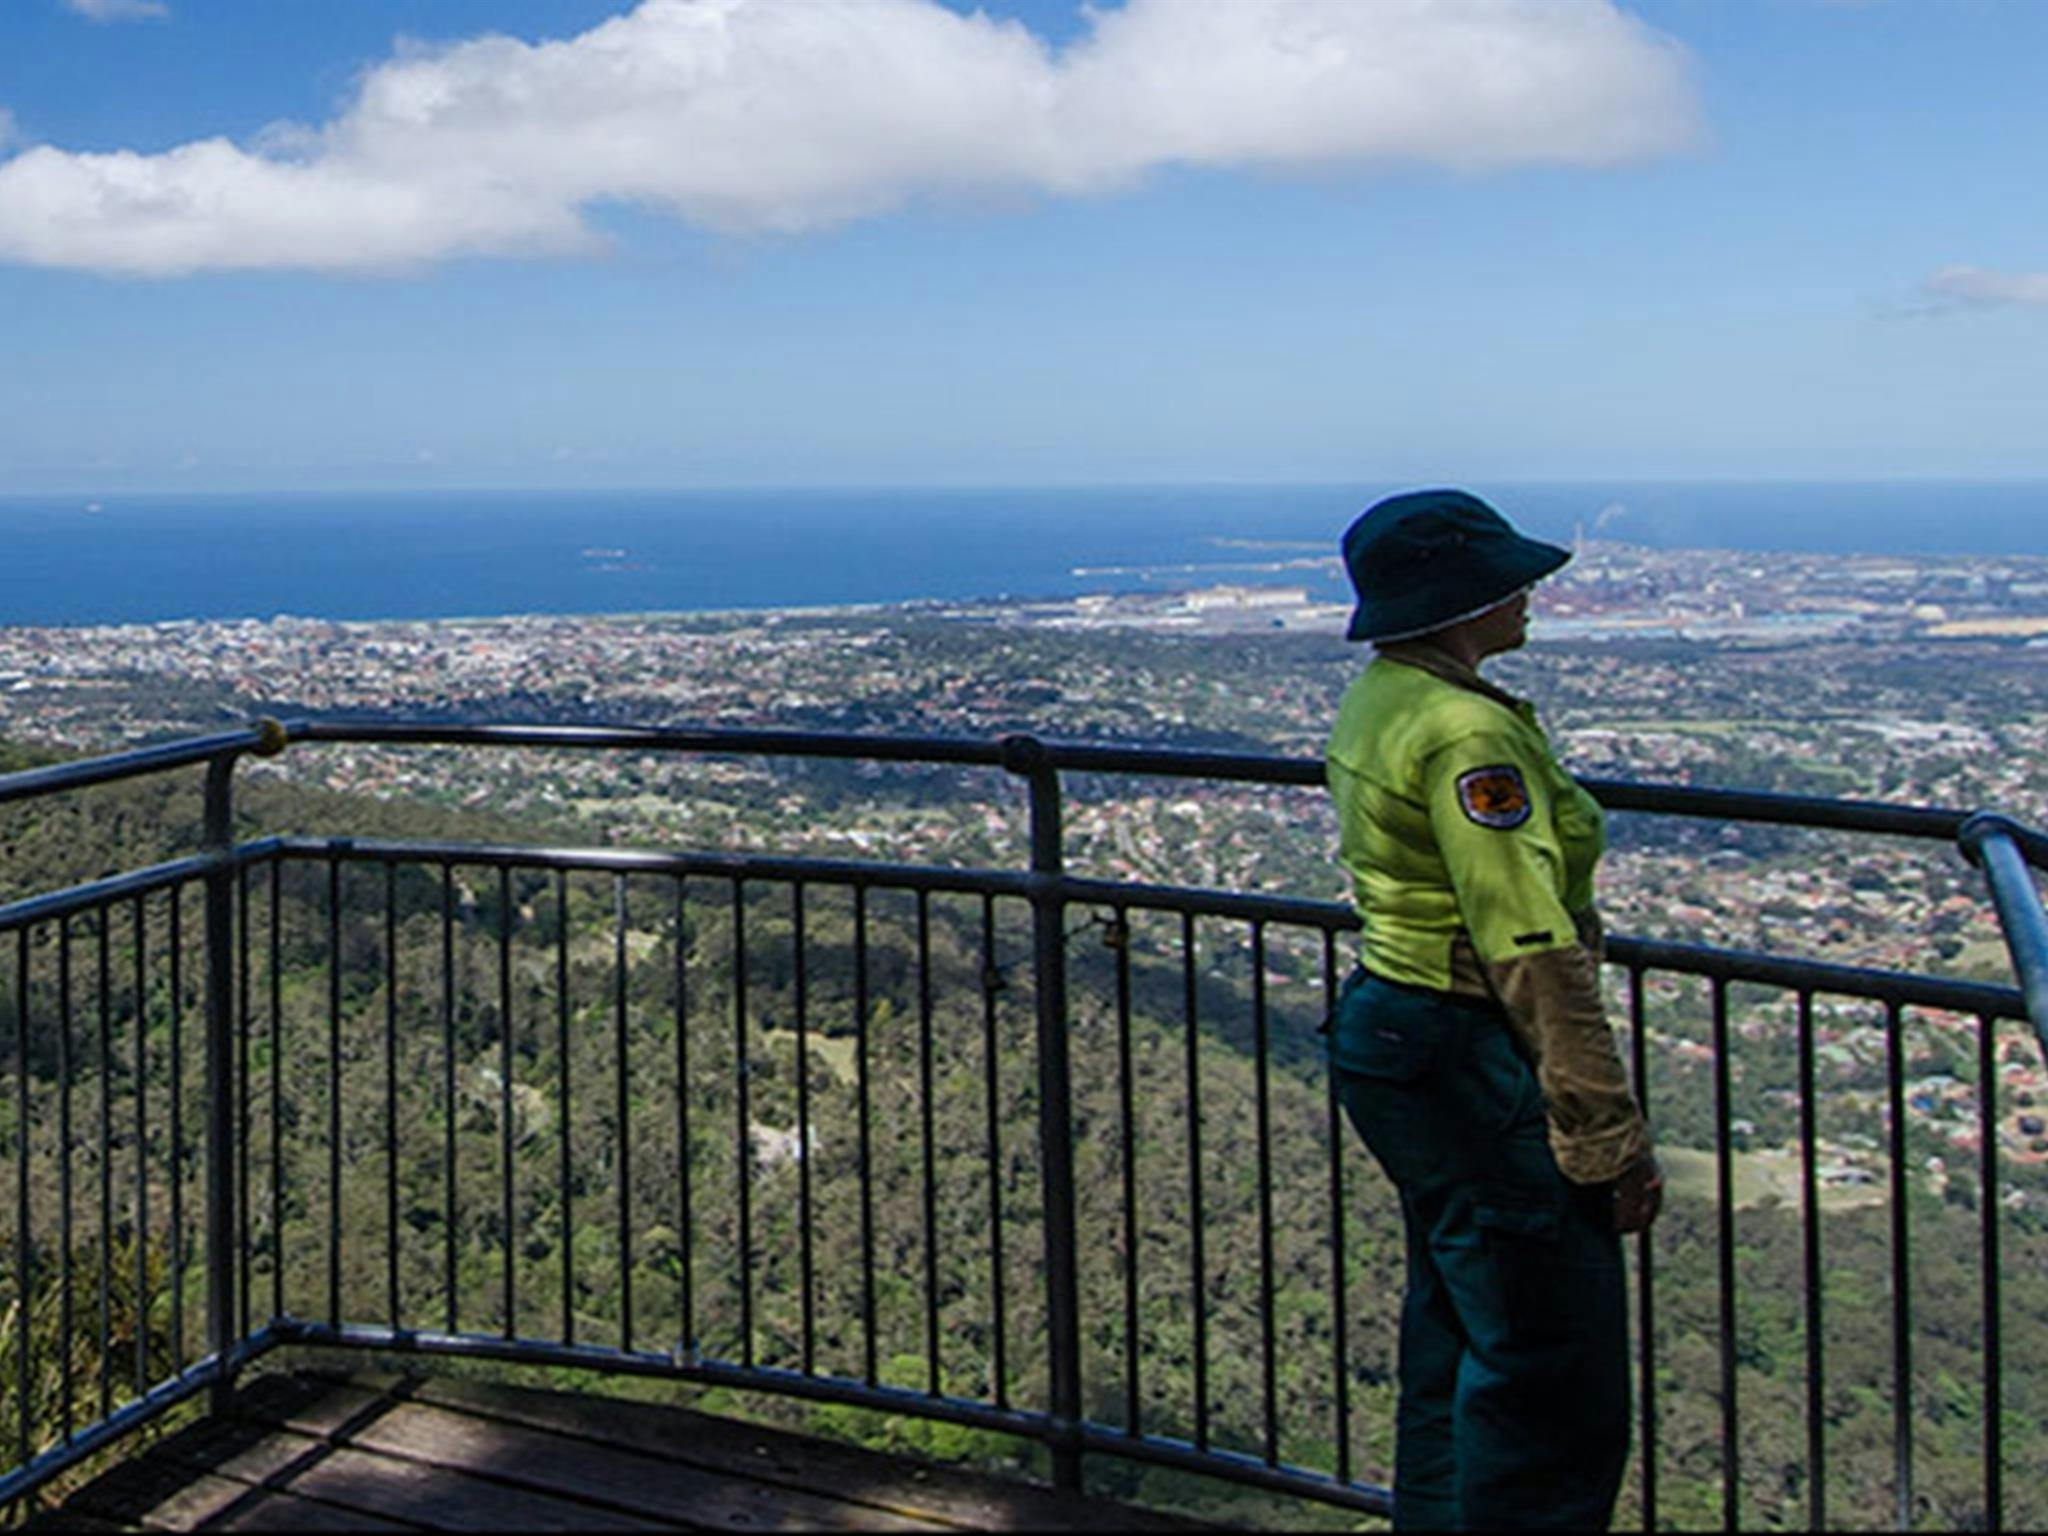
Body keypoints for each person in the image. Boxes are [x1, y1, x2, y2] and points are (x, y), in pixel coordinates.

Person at [1323, 488, 1661, 1531]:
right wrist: (1603, 1132)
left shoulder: (1383, 697)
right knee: (1549, 1362)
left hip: (1389, 1024)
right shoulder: (1469, 736)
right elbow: (1526, 942)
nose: (1525, 594)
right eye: (1504, 579)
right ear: (1456, 597)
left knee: (1460, 1326)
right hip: (1466, 1042)